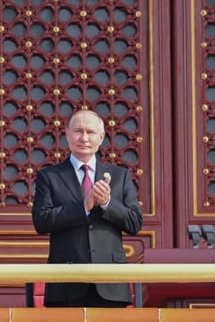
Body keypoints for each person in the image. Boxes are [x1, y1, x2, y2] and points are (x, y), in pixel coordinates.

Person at [32, 109, 143, 307]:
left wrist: (107, 203)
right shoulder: (50, 176)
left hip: (110, 281)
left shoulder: (120, 175)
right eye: (78, 131)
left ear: (101, 138)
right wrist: (84, 206)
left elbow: (135, 223)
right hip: (66, 279)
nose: (84, 138)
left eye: (90, 132)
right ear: (67, 134)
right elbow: (41, 221)